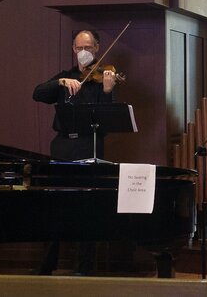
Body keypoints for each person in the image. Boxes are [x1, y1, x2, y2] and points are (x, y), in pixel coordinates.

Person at [32, 29, 121, 274]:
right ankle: (46, 267)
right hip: (61, 147)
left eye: (88, 48)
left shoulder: (104, 78)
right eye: (78, 48)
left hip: (88, 145)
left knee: (86, 210)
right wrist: (60, 82)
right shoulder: (66, 77)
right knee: (55, 207)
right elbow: (37, 93)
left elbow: (108, 121)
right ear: (73, 49)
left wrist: (107, 91)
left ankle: (84, 269)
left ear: (97, 48)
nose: (83, 52)